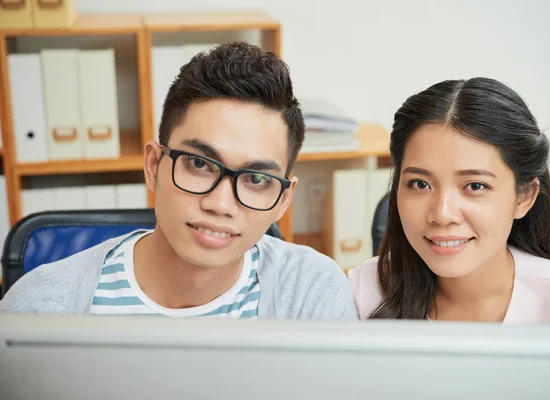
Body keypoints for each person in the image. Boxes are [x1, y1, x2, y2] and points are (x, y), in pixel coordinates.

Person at [1, 42, 357, 320]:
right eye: (200, 164)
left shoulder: (312, 293)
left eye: (255, 178)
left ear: (282, 200)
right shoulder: (42, 305)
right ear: (154, 165)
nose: (220, 204)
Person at [349, 77, 550, 324]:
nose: (442, 214)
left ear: (524, 197)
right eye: (420, 184)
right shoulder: (361, 294)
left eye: (475, 186)